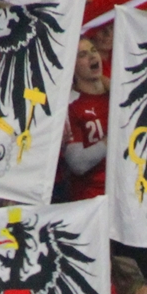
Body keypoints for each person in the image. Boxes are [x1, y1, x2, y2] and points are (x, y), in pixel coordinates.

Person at [61, 34, 110, 202]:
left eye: (93, 50)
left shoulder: (117, 96)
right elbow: (78, 164)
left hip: (126, 194)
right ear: (72, 65)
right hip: (91, 200)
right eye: (82, 55)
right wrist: (112, 139)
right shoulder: (70, 105)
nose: (92, 56)